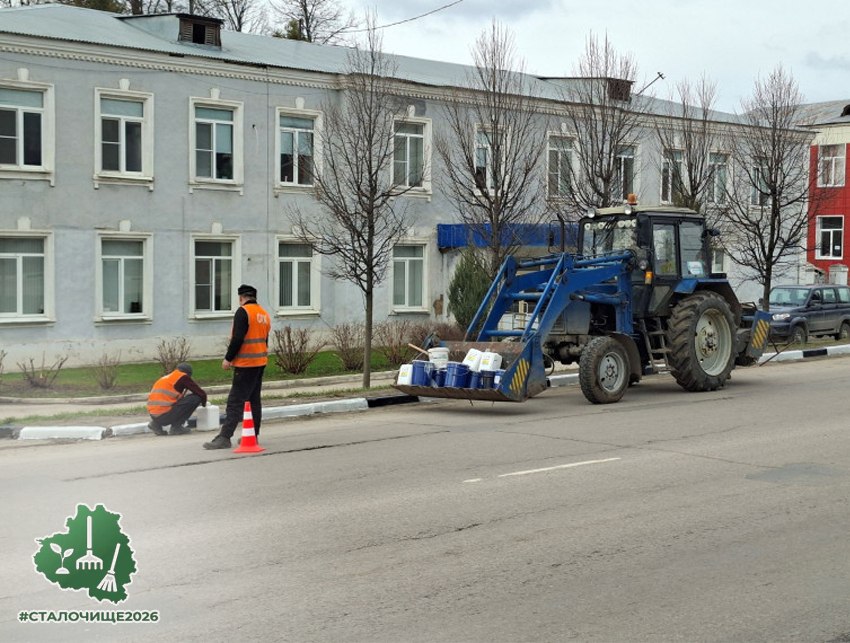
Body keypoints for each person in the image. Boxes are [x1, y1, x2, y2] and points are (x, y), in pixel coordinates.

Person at [203, 284, 271, 450]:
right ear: (255, 297)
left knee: (235, 401)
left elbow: (238, 338)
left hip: (246, 364)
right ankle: (253, 435)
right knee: (254, 400)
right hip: (260, 362)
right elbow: (265, 340)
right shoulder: (264, 314)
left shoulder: (243, 312)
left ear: (241, 298)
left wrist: (228, 358)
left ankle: (225, 437)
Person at [147, 362, 208, 436]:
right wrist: (204, 404)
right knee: (196, 398)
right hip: (164, 415)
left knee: (180, 401)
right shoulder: (182, 377)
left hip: (154, 415)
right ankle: (177, 427)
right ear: (188, 373)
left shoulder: (168, 377)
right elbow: (201, 393)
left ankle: (155, 424)